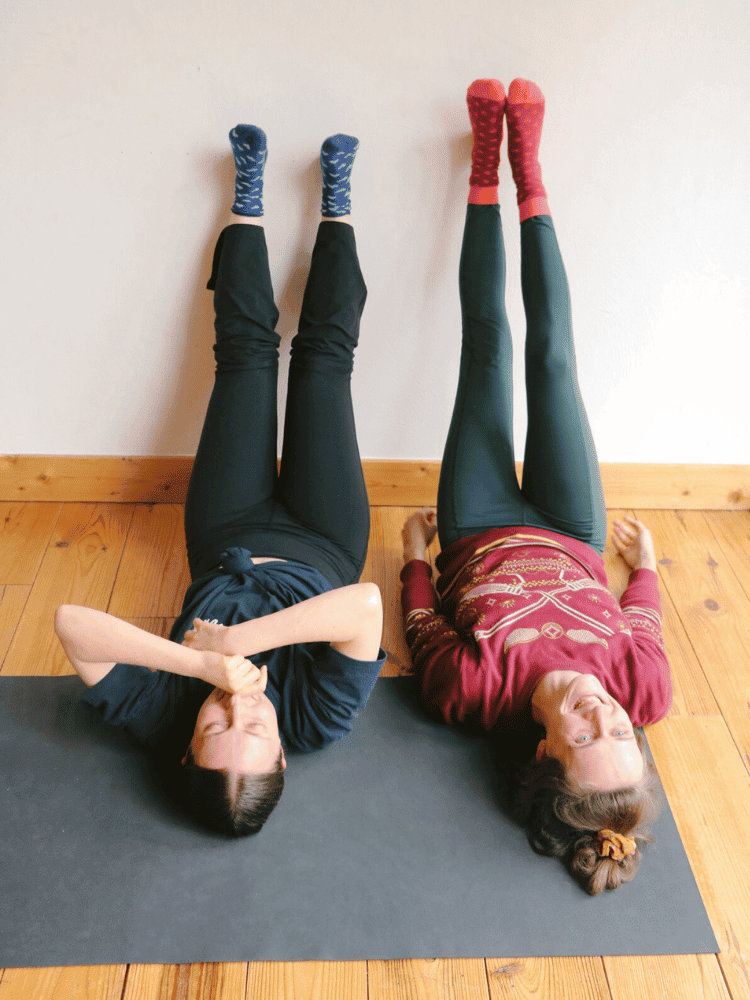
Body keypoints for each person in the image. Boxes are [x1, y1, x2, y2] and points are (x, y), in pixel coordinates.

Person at [56, 126, 385, 836]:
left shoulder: (157, 718)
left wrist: (195, 665)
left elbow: (71, 626)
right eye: (257, 734)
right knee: (325, 361)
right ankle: (337, 206)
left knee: (244, 357)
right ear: (285, 757)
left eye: (213, 730)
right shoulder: (316, 720)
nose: (240, 711)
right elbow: (362, 607)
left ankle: (247, 203)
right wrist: (237, 643)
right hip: (324, 542)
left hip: (225, 534)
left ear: (185, 752)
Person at [400, 79, 672, 895]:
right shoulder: (641, 687)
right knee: (553, 358)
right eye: (621, 729)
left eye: (588, 729)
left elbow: (420, 624)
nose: (603, 709)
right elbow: (644, 621)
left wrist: (415, 557)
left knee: (487, 348)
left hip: (477, 525)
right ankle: (532, 172)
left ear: (547, 749)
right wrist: (648, 567)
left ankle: (486, 166)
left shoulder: (473, 694)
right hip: (570, 526)